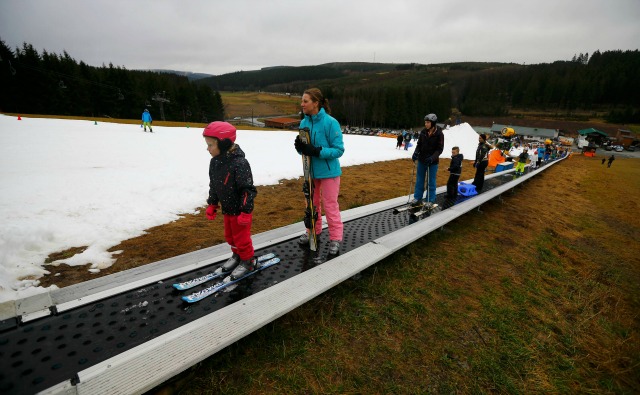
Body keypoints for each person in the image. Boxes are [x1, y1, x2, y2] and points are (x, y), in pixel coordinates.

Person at [203, 121, 258, 279]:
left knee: (242, 239)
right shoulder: (215, 162)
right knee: (230, 236)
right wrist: (212, 203)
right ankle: (237, 256)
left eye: (211, 145)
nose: (208, 149)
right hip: (227, 209)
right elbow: (214, 185)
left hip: (240, 211)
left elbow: (247, 189)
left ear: (224, 143)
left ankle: (248, 261)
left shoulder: (239, 163)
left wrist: (246, 211)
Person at [294, 88, 345, 255]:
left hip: (329, 172)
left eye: (305, 101)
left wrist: (317, 151)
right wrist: (300, 148)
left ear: (316, 103)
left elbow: (338, 150)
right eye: (302, 101)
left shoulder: (331, 122)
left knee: (330, 205)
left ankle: (335, 238)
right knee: (311, 204)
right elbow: (305, 150)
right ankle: (313, 232)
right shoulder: (304, 123)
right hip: (311, 172)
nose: (302, 104)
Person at [411, 113, 444, 207]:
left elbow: (439, 149)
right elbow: (419, 144)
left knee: (431, 181)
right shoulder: (423, 132)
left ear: (433, 123)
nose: (426, 124)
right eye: (425, 122)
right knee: (419, 180)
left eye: (428, 122)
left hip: (432, 162)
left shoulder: (439, 134)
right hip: (422, 160)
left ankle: (430, 200)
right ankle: (417, 198)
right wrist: (416, 153)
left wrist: (432, 158)